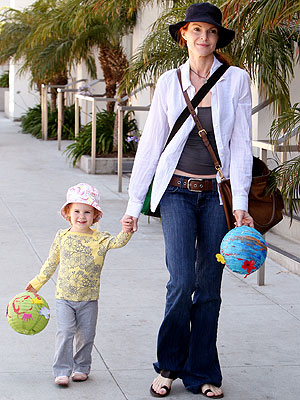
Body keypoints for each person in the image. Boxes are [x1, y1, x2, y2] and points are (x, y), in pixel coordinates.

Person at [121, 2, 254, 398]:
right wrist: (133, 205)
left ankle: (203, 372)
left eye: (211, 32)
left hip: (216, 196)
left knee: (209, 285)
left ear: (217, 38)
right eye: (197, 30)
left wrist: (241, 201)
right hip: (177, 192)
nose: (204, 38)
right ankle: (168, 366)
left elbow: (241, 145)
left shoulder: (236, 80)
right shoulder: (168, 81)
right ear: (184, 35)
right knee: (181, 282)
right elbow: (151, 145)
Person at [26, 183, 133, 387]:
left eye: (87, 212)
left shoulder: (100, 239)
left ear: (95, 216)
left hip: (89, 299)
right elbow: (50, 263)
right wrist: (36, 283)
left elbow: (118, 242)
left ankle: (82, 367)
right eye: (76, 211)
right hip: (64, 297)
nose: (81, 216)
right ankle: (61, 370)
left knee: (86, 335)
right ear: (68, 213)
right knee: (65, 333)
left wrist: (126, 230)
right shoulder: (62, 236)